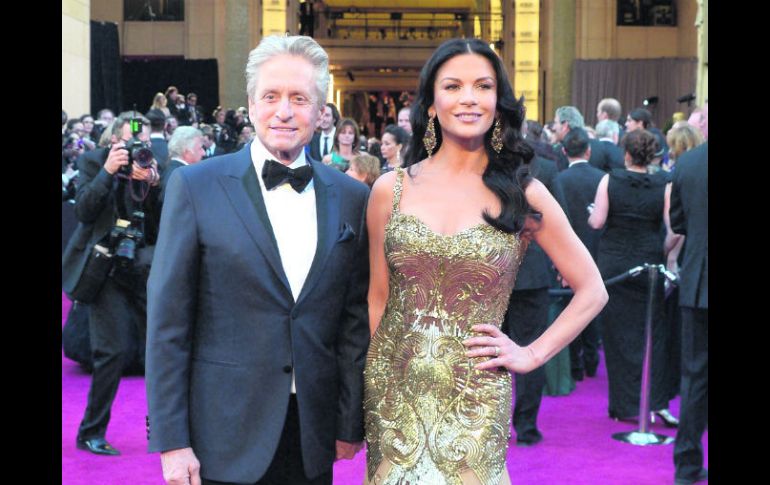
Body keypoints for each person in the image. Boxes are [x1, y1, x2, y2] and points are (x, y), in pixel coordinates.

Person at [363, 38, 607, 485]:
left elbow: (593, 288)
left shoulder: (523, 192)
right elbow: (378, 299)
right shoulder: (389, 189)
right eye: (453, 86)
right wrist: (381, 386)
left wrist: (531, 353)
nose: (469, 98)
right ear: (432, 103)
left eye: (483, 86)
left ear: (499, 101)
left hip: (474, 395)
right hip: (394, 397)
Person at [145, 35, 370, 485]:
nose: (284, 111)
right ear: (251, 104)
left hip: (311, 435)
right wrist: (172, 440)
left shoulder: (351, 197)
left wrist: (349, 421)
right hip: (220, 437)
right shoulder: (196, 187)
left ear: (321, 110)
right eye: (271, 96)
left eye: (299, 98)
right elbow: (168, 322)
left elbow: (352, 321)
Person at [62, 113, 162, 456]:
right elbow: (86, 212)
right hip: (104, 269)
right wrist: (109, 171)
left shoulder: (148, 168)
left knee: (160, 350)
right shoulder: (93, 162)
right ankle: (91, 431)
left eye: (143, 144)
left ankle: (163, 430)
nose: (137, 150)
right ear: (112, 141)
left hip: (141, 267)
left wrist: (152, 184)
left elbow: (158, 222)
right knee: (112, 352)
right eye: (130, 143)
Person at [588, 129, 680, 427]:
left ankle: (623, 405)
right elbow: (675, 230)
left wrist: (589, 215)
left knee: (617, 337)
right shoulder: (664, 184)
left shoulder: (609, 180)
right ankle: (655, 402)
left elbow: (598, 221)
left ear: (625, 153)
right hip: (649, 262)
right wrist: (662, 251)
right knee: (652, 334)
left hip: (615, 265)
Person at [669, 142, 708, 485]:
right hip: (697, 284)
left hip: (698, 285)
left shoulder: (688, 163)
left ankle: (686, 465)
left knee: (695, 380)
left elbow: (677, 221)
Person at [554, 128, 605, 381]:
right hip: (597, 250)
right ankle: (592, 361)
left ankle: (575, 365)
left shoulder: (559, 180)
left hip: (568, 254)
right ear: (589, 151)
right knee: (593, 305)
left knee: (570, 308)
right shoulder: (603, 178)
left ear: (564, 152)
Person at [159, 126, 205, 204]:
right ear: (187, 151)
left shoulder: (171, 171)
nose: (204, 153)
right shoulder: (181, 177)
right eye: (200, 148)